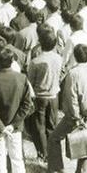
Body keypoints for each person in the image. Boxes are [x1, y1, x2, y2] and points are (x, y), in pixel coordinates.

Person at [46, 44, 87, 173]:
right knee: (85, 143)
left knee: (54, 138)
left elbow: (71, 97)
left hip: (74, 116)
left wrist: (76, 117)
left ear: (75, 57)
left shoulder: (72, 73)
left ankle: (56, 169)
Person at [0, 47, 34, 173]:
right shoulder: (22, 79)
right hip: (15, 127)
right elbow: (27, 105)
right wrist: (13, 124)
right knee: (17, 158)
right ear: (12, 60)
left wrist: (1, 127)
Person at [25, 25, 62, 161]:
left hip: (39, 96)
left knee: (39, 125)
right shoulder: (59, 58)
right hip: (54, 95)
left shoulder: (35, 61)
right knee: (52, 124)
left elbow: (29, 81)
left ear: (40, 43)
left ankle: (43, 153)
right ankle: (53, 152)